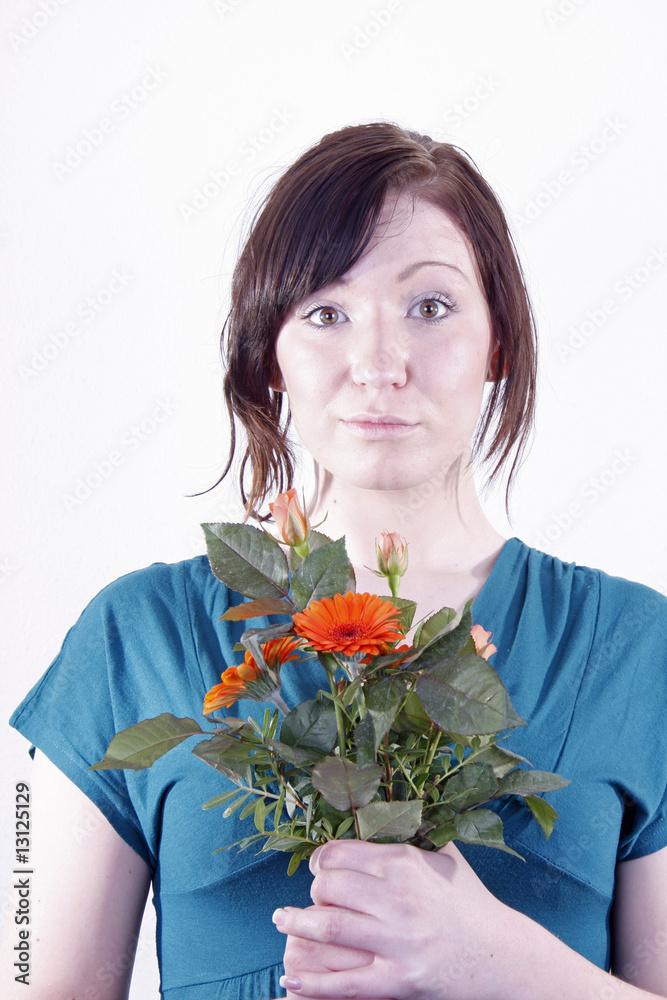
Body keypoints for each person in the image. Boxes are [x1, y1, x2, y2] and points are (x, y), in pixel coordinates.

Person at [3, 122, 667, 1000]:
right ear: (269, 353)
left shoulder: (637, 649)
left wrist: (501, 963)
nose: (378, 365)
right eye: (325, 312)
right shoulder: (135, 638)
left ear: (498, 340)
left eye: (429, 307)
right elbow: (29, 978)